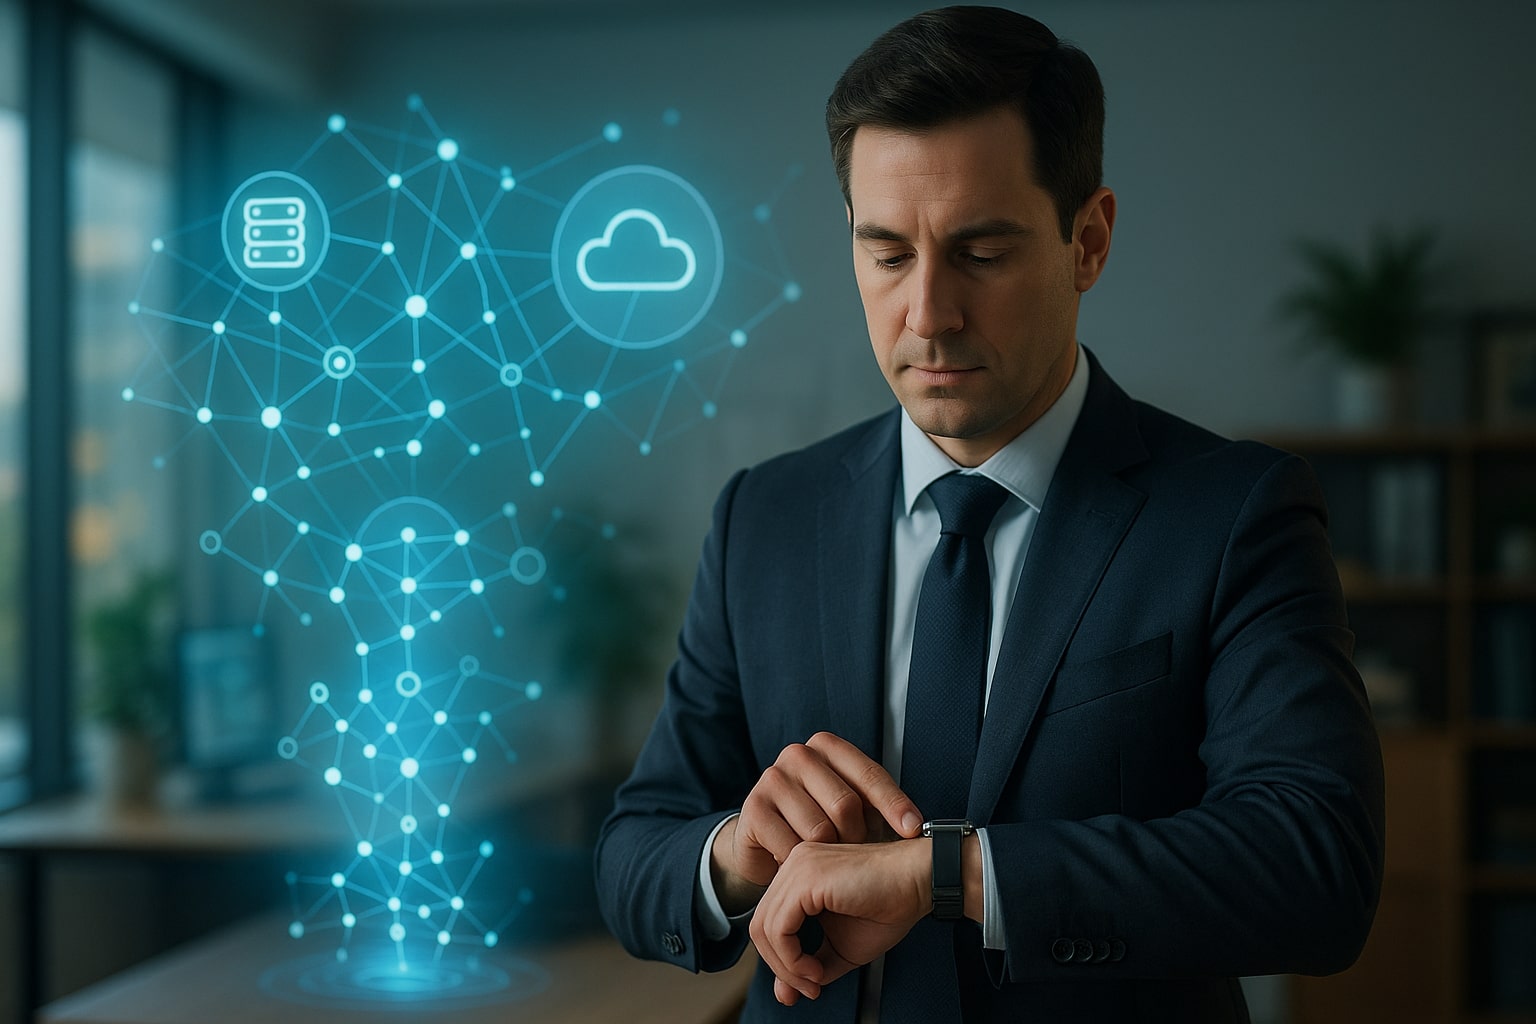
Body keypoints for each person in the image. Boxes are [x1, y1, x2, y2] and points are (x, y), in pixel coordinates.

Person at [594, 6, 1385, 1022]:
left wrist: (951, 874)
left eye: (980, 252)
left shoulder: (1234, 513)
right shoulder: (766, 516)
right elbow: (631, 851)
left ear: (1087, 240)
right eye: (886, 253)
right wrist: (736, 854)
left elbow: (1315, 865)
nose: (928, 311)